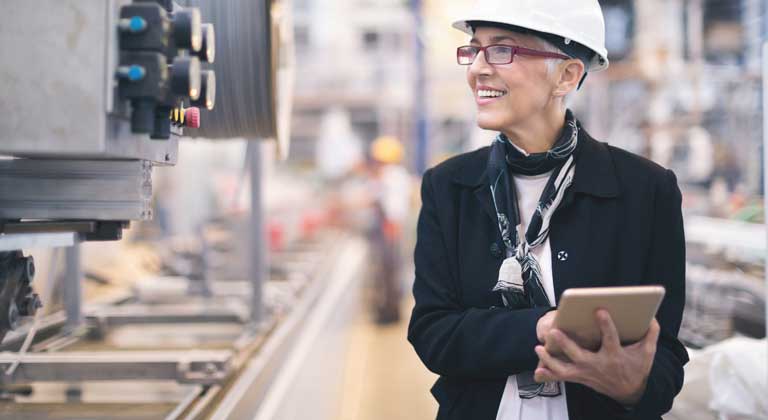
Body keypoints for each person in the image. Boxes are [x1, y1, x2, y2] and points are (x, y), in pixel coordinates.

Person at [407, 1, 689, 419]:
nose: (477, 69)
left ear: (567, 74)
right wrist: (541, 328)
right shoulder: (449, 187)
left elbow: (664, 352)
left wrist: (637, 388)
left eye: (502, 50)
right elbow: (433, 332)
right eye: (474, 49)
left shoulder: (646, 190)